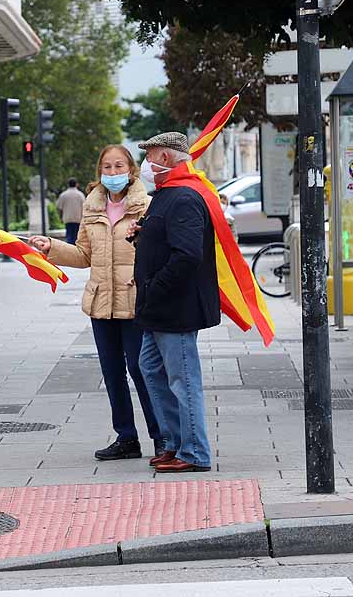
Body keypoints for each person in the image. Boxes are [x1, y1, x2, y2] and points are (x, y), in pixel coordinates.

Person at [30, 147, 164, 462]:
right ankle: (126, 438)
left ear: (131, 170)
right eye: (107, 166)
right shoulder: (92, 207)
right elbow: (83, 255)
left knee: (140, 369)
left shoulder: (147, 206)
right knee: (112, 371)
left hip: (133, 302)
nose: (113, 171)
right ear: (99, 170)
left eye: (119, 165)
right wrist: (51, 247)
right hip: (101, 302)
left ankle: (162, 437)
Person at [132, 131, 218, 473]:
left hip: (175, 307)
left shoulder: (183, 197)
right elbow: (167, 241)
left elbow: (187, 255)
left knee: (182, 378)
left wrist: (154, 287)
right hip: (158, 308)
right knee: (151, 369)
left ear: (165, 158)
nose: (144, 165)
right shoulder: (166, 195)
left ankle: (194, 451)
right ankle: (174, 441)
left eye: (148, 155)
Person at [56, 178, 86, 245]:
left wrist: (60, 217)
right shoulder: (80, 195)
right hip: (78, 218)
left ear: (68, 184)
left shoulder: (63, 195)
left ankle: (70, 250)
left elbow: (59, 207)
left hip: (68, 219)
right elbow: (85, 207)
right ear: (76, 184)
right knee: (77, 237)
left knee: (69, 236)